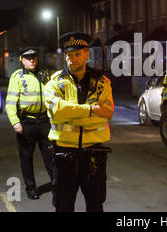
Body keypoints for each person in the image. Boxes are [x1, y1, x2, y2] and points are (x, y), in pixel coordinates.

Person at [44, 32, 114, 212]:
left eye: (77, 54)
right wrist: (91, 109)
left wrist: (70, 111)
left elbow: (107, 114)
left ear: (86, 54)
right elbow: (58, 112)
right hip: (64, 154)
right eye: (68, 55)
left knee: (95, 205)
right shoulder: (54, 82)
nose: (72, 59)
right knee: (63, 206)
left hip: (94, 154)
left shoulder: (102, 82)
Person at [5, 47, 54, 200]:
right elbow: (10, 102)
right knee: (26, 157)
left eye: (34, 57)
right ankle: (31, 188)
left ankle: (56, 183)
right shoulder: (17, 77)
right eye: (28, 57)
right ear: (22, 60)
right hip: (27, 122)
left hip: (44, 121)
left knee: (51, 155)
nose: (32, 60)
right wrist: (15, 122)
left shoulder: (44, 74)